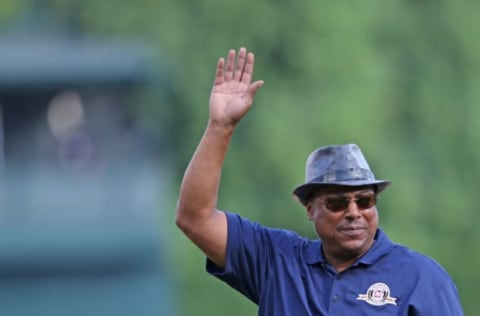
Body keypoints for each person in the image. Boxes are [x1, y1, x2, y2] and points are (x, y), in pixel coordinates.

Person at [175, 47, 464, 315]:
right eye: (337, 203)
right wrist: (221, 126)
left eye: (364, 200)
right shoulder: (277, 261)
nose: (354, 212)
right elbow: (194, 218)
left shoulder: (420, 278)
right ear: (310, 208)